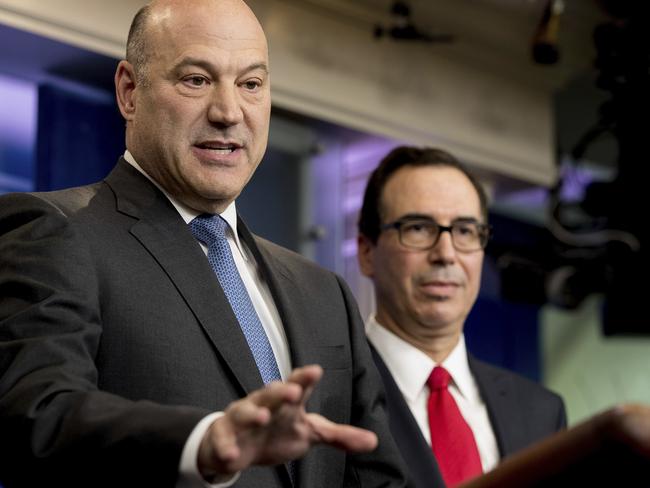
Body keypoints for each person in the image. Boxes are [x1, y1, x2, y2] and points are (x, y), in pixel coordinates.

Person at [0, 1, 407, 487]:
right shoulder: (55, 230)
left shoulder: (325, 294)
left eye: (251, 84)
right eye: (196, 79)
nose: (228, 112)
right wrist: (203, 442)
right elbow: (37, 415)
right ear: (130, 92)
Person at [357, 146, 566, 488]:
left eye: (466, 231)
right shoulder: (328, 396)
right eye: (418, 228)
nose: (446, 254)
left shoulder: (542, 412)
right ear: (367, 252)